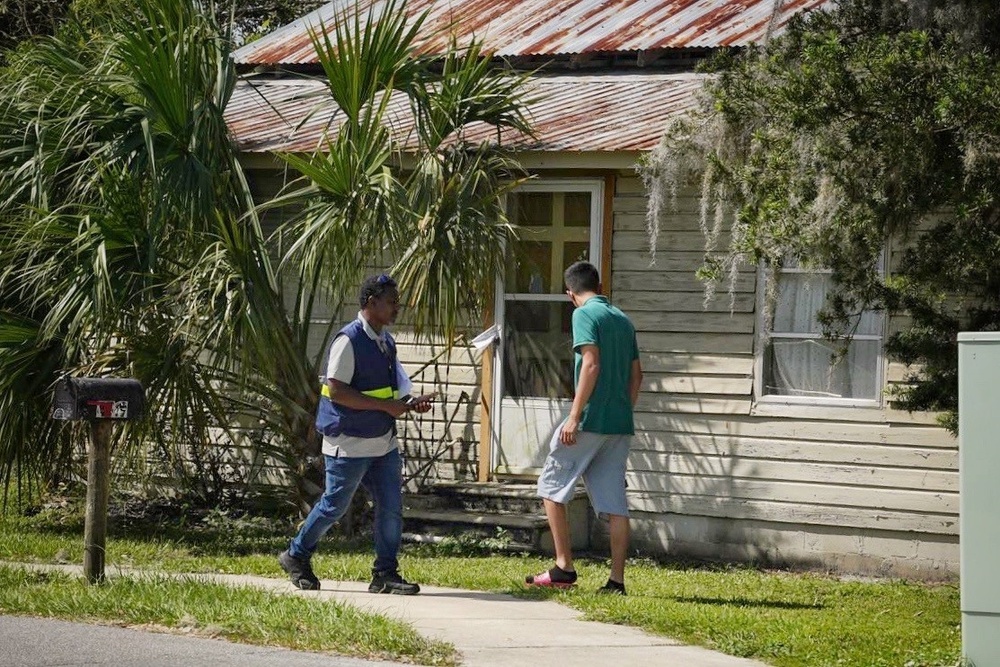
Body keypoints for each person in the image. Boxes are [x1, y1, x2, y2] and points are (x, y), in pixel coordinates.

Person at [279, 274, 432, 594]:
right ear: (371, 303)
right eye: (391, 302)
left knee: (391, 507)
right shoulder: (348, 340)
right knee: (334, 505)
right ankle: (296, 555)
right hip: (348, 443)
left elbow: (392, 390)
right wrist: (386, 407)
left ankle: (385, 574)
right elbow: (336, 391)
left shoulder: (386, 341)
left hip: (383, 443)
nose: (396, 308)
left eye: (397, 302)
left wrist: (407, 403)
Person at [526, 261, 642, 595]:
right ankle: (616, 582)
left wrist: (574, 416)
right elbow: (637, 376)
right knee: (615, 505)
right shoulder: (622, 319)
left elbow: (590, 364)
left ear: (570, 294)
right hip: (619, 423)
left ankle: (564, 567)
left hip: (589, 419)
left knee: (551, 486)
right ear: (599, 286)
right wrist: (622, 411)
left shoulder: (583, 314)